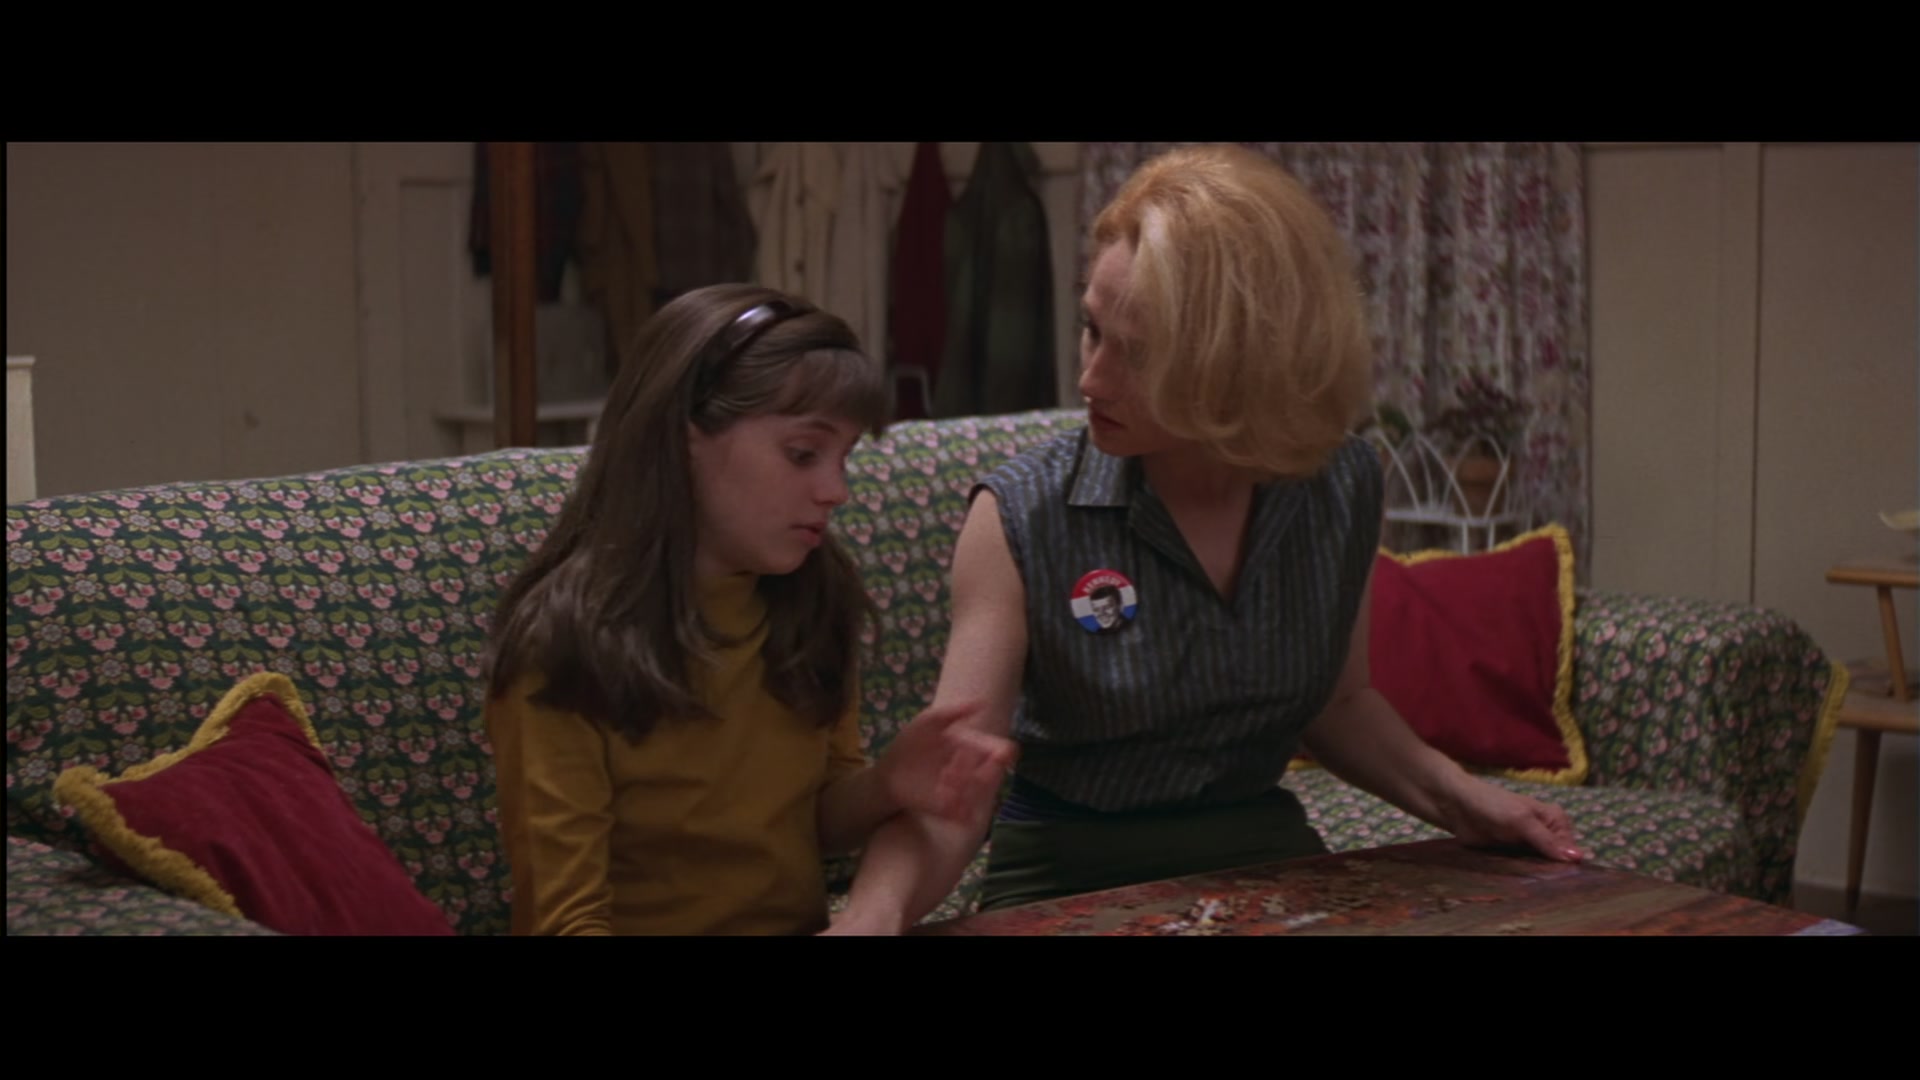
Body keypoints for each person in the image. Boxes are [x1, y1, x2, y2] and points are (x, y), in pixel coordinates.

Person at [829, 144, 1589, 924]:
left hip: (1262, 853)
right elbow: (955, 782)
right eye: (1092, 330)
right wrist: (869, 918)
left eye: (1138, 353)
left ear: (1240, 363)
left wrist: (1469, 801)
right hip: (1072, 867)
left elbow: (1341, 704)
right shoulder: (1022, 513)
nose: (1090, 379)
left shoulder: (1341, 486)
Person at [482, 283, 1013, 935]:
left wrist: (887, 784)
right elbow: (566, 921)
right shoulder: (564, 646)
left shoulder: (813, 598)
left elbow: (813, 823)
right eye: (802, 454)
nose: (836, 490)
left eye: (845, 458)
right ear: (684, 436)